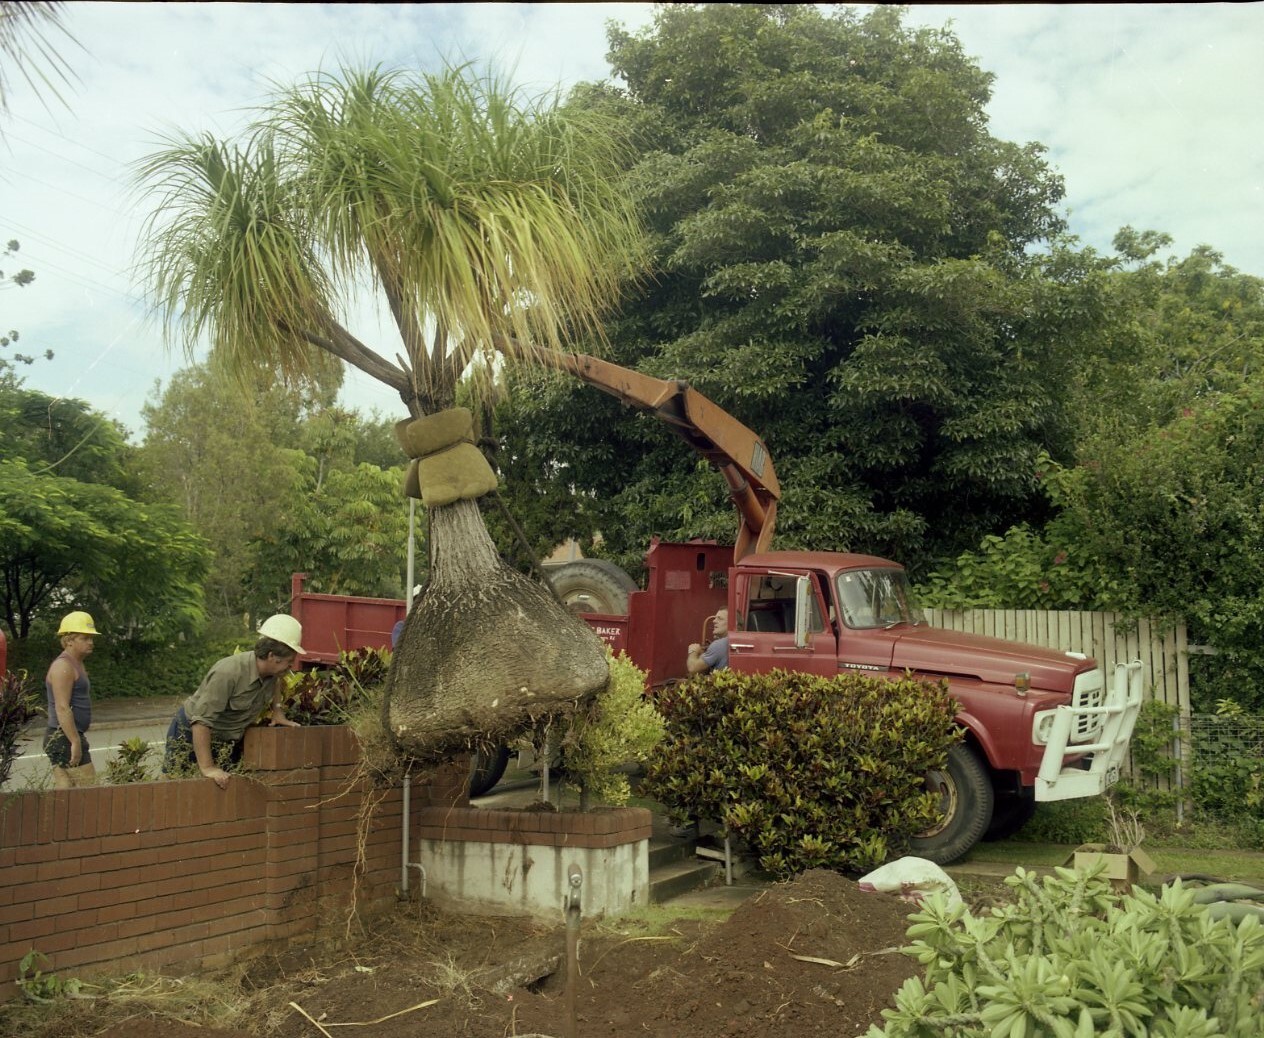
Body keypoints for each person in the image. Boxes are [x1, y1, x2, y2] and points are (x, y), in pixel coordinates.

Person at [163, 614, 305, 789]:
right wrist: (208, 768)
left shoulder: (272, 673)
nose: (290, 668)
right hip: (191, 734)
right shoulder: (228, 673)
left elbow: (276, 683)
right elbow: (201, 722)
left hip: (226, 738)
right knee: (178, 789)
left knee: (223, 790)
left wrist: (277, 711)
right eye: (289, 663)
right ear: (271, 656)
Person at [44, 611, 100, 788]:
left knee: (66, 795)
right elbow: (62, 707)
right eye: (85, 638)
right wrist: (75, 741)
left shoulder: (77, 663)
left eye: (91, 638)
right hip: (63, 737)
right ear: (69, 640)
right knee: (90, 793)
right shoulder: (63, 666)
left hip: (65, 736)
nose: (91, 642)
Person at [686, 608, 729, 675]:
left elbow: (692, 668)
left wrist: (693, 651)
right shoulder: (732, 642)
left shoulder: (719, 645)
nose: (714, 621)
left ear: (733, 623)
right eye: (715, 618)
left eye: (720, 619)